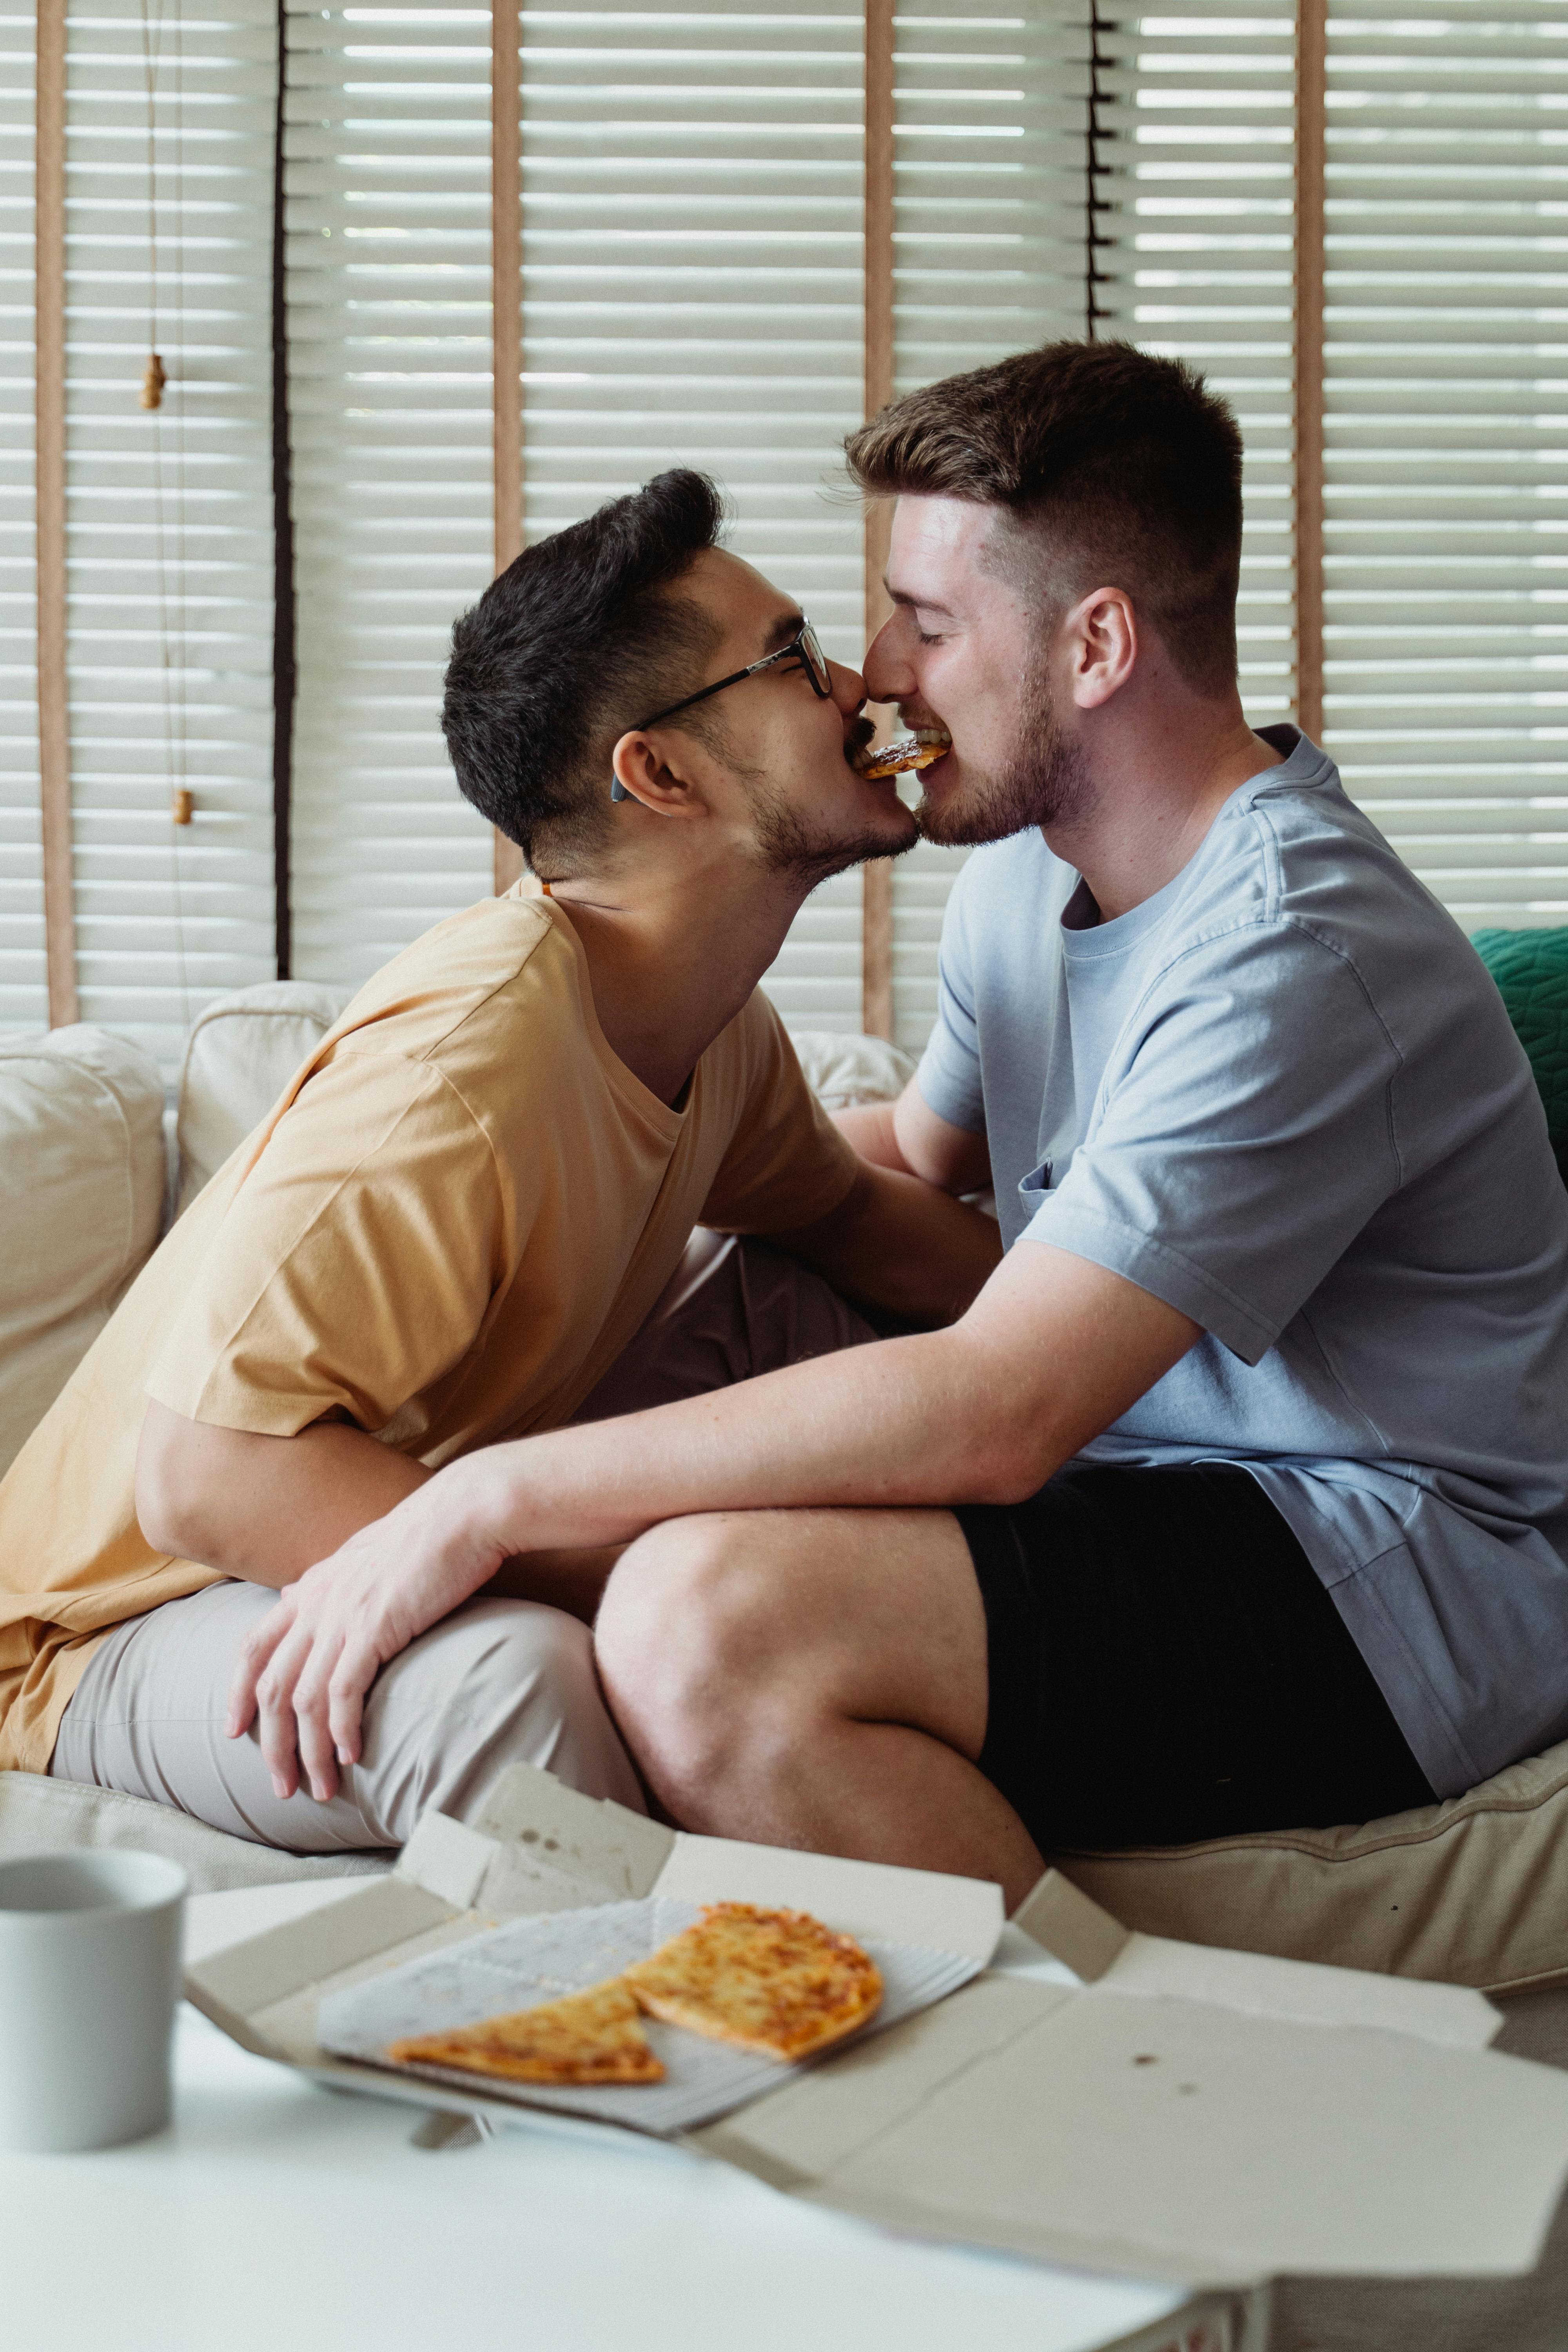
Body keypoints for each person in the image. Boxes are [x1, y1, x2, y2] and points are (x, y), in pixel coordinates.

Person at [227, 341, 1568, 1910]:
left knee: (701, 1618)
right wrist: (584, 1203)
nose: (873, 674)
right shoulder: (1022, 870)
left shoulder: (1294, 952)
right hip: (1152, 1486)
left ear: (1095, 648)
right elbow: (913, 1174)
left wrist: (482, 1498)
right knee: (744, 1312)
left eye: (926, 622)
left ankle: (1061, 2092)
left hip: (1392, 1567)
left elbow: (998, 1410)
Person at [0, 468, 1000, 1853]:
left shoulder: (714, 1030)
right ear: (658, 773)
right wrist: (648, 1568)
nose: (857, 684)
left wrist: (1164, 1351)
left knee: (807, 1308)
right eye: (791, 659)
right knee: (512, 1689)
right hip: (118, 1622)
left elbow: (853, 1224)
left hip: (352, 1510)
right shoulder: (466, 1067)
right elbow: (205, 1474)